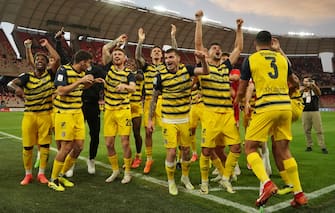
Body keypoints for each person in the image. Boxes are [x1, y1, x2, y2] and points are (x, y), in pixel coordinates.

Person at [235, 30, 308, 207]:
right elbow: (296, 83)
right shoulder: (282, 59)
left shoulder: (251, 59)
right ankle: (299, 194)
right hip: (285, 107)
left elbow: (243, 88)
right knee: (284, 151)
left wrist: (237, 102)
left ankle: (267, 184)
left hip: (266, 106)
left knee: (250, 147)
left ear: (256, 44)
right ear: (270, 42)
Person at [148, 48, 209, 195]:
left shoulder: (186, 70)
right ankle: (171, 182)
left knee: (186, 150)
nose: (168, 60)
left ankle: (185, 177)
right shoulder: (160, 75)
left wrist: (203, 60)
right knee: (171, 151)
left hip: (184, 119)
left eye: (171, 57)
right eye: (166, 58)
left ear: (178, 59)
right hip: (168, 119)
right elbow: (154, 98)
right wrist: (150, 119)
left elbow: (205, 72)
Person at [194, 10, 243, 194]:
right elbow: (198, 44)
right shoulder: (203, 66)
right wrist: (199, 21)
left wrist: (238, 29)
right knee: (206, 150)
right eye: (213, 48)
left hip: (227, 114)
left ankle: (225, 178)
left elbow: (238, 48)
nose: (217, 49)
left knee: (236, 148)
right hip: (211, 113)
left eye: (218, 48)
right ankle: (204, 182)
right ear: (207, 53)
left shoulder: (225, 67)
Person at [7, 38, 60, 185]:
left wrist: (47, 45)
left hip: (45, 116)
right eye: (37, 59)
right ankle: (28, 174)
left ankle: (41, 174)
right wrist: (17, 88)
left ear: (47, 63)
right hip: (29, 116)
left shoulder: (50, 75)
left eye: (43, 59)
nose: (40, 61)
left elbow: (57, 58)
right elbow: (11, 83)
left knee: (44, 146)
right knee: (27, 147)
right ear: (34, 63)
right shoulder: (27, 76)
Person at [48, 50, 103, 192]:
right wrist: (80, 80)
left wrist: (92, 82)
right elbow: (60, 91)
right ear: (82, 62)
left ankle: (61, 176)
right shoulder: (63, 69)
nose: (90, 65)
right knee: (66, 147)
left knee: (78, 147)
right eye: (89, 62)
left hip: (78, 112)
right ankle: (53, 180)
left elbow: (81, 87)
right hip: (64, 113)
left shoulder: (82, 74)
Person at [135, 25, 178, 174]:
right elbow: (137, 57)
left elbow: (175, 52)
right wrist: (140, 41)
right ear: (151, 55)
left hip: (165, 101)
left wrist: (173, 36)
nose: (157, 52)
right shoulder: (146, 67)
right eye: (154, 51)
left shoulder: (167, 67)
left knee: (170, 131)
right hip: (149, 102)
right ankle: (149, 159)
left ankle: (175, 157)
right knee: (148, 131)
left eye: (159, 51)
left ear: (162, 54)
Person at [102, 46, 136, 184]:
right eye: (115, 54)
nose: (116, 56)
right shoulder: (107, 70)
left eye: (119, 54)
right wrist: (117, 42)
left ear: (124, 58)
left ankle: (127, 172)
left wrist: (125, 87)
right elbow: (105, 48)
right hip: (109, 111)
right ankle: (115, 170)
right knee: (109, 144)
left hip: (123, 111)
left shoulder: (129, 74)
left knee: (125, 142)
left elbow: (133, 88)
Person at [126, 58, 145, 169]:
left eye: (132, 63)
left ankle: (138, 156)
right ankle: (128, 158)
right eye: (128, 63)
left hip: (136, 107)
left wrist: (129, 73)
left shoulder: (139, 74)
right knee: (125, 135)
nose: (130, 65)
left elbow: (139, 77)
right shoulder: (124, 75)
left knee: (136, 133)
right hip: (125, 107)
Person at [301, 77, 328, 154]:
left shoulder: (314, 90)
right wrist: (305, 88)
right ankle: (309, 145)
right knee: (306, 130)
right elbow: (298, 92)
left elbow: (319, 93)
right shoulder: (302, 90)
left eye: (307, 81)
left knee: (319, 130)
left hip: (315, 111)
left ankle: (322, 146)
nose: (305, 82)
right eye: (304, 81)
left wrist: (314, 85)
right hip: (305, 112)